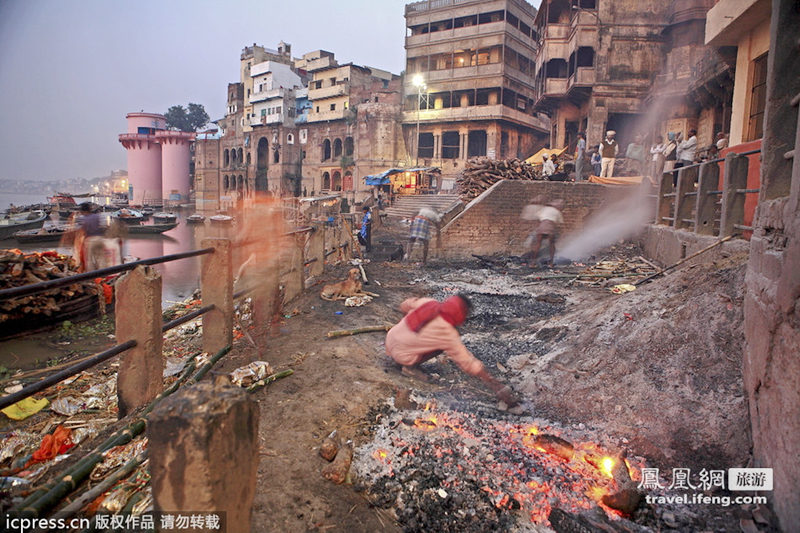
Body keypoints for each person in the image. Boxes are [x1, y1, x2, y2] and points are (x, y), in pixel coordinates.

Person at [385, 294, 521, 407]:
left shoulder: (429, 303)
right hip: (402, 354)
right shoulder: (447, 333)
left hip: (390, 339)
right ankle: (409, 367)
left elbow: (405, 305)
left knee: (423, 341)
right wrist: (496, 386)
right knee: (439, 347)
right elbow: (468, 363)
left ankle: (401, 356)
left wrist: (410, 323)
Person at [521, 197, 564, 267]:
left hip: (541, 228)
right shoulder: (557, 212)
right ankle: (551, 263)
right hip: (550, 228)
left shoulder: (544, 209)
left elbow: (538, 218)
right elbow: (559, 223)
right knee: (551, 245)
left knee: (538, 244)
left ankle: (533, 263)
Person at [78, 202, 106, 272]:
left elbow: (82, 230)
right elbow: (103, 227)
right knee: (100, 258)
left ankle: (92, 276)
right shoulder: (97, 216)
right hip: (99, 239)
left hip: (90, 240)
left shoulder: (83, 219)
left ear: (82, 211)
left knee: (89, 259)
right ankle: (103, 275)